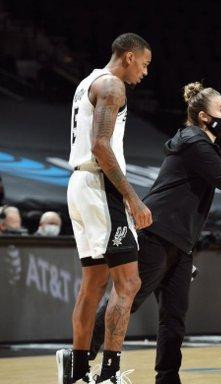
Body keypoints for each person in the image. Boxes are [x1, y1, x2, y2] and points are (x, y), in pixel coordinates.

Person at [86, 81, 221, 384]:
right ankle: (81, 356)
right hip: (156, 233)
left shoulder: (201, 143)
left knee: (174, 318)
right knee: (125, 302)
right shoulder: (195, 141)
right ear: (202, 117)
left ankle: (167, 378)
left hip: (180, 243)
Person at [57, 32, 153, 384]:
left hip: (78, 185)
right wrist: (132, 196)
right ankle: (109, 375)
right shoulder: (112, 86)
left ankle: (78, 372)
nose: (145, 72)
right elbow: (100, 146)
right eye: (144, 64)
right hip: (100, 187)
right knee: (128, 283)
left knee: (93, 283)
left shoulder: (87, 82)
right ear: (129, 57)